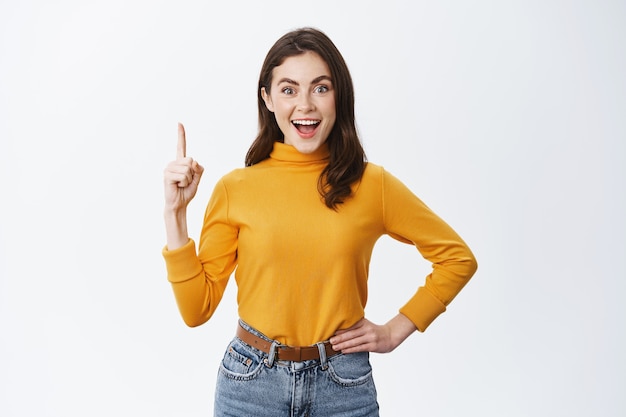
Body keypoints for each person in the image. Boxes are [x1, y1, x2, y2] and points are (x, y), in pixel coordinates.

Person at [162, 27, 477, 417]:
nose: (305, 105)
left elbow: (457, 258)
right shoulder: (235, 189)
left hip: (342, 387)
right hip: (251, 385)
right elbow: (197, 311)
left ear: (338, 95)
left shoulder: (370, 184)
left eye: (321, 88)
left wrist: (396, 329)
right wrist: (176, 215)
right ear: (267, 98)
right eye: (289, 89)